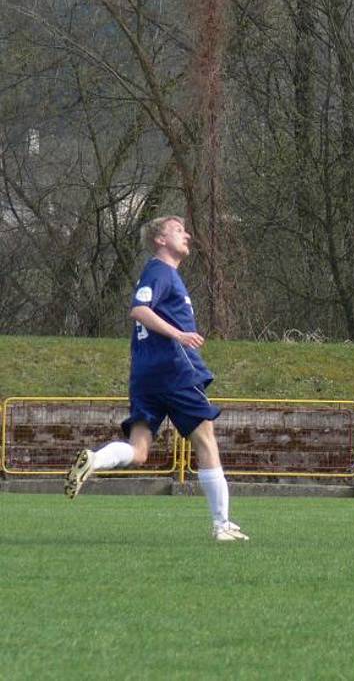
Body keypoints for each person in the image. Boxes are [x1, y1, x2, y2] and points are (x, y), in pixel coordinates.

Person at [65, 215, 248, 542]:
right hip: (174, 370)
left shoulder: (160, 273)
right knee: (205, 439)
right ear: (160, 240)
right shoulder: (161, 271)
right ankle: (222, 525)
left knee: (139, 451)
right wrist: (179, 334)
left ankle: (96, 459)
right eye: (178, 230)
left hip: (144, 374)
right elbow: (139, 310)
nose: (187, 235)